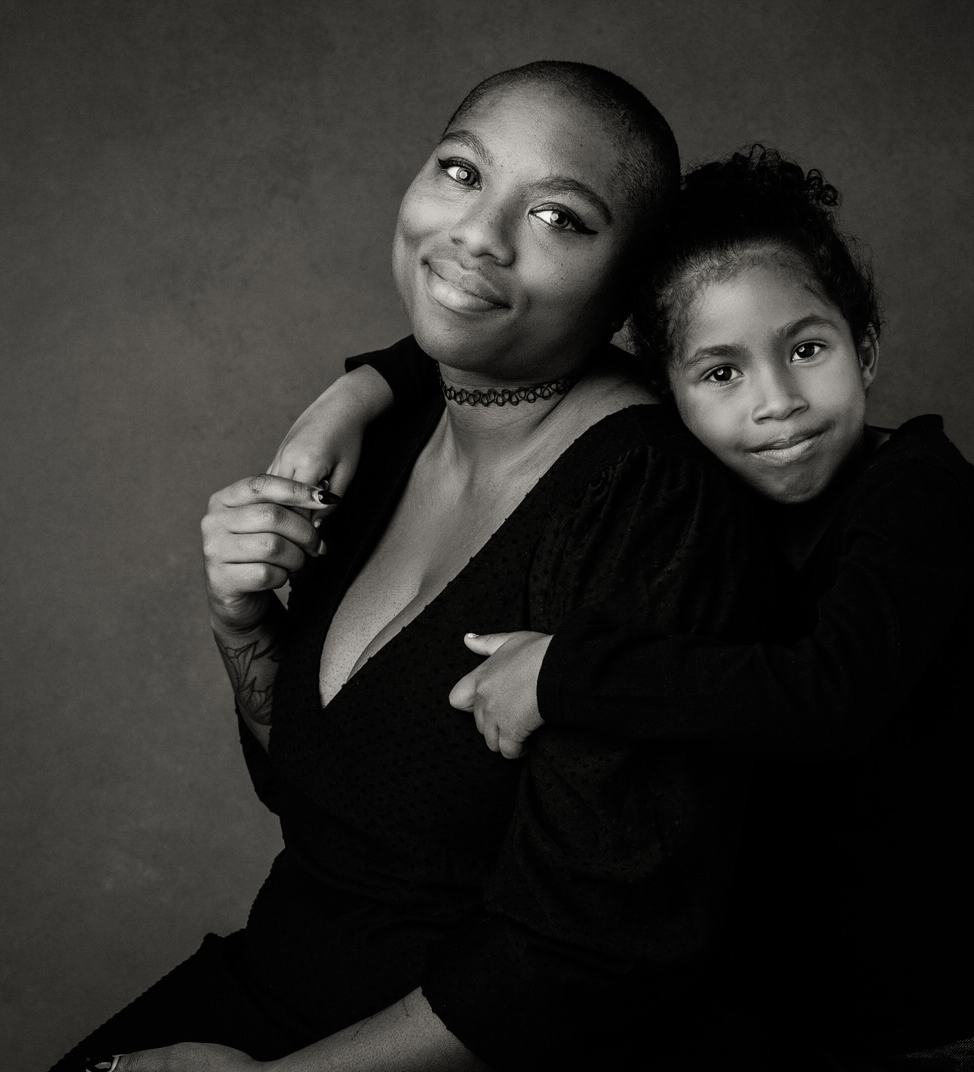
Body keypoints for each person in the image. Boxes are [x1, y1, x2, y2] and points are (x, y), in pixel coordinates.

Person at [281, 147, 974, 1068]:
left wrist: (564, 672)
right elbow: (520, 340)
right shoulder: (705, 496)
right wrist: (363, 388)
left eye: (806, 349)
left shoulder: (916, 491)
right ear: (665, 393)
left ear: (864, 346)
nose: (778, 404)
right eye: (721, 373)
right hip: (797, 1024)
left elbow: (827, 695)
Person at [54, 63, 764, 1072]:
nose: (479, 233)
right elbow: (326, 798)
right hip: (283, 981)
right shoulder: (389, 433)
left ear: (626, 290)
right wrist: (244, 627)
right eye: (461, 172)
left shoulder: (650, 505)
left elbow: (595, 953)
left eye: (560, 217)